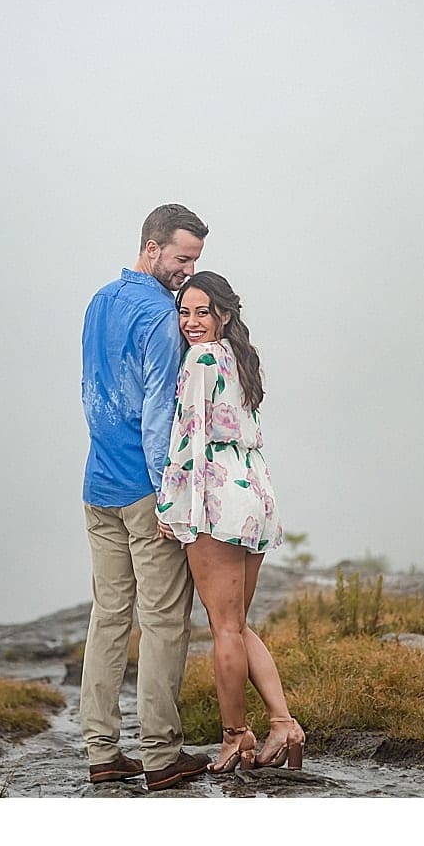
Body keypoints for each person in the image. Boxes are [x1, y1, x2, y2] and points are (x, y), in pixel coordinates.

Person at [77, 203, 213, 791]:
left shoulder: (100, 301)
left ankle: (101, 750)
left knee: (108, 616)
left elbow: (90, 390)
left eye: (195, 262)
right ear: (152, 246)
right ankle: (161, 755)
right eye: (182, 258)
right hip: (143, 489)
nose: (187, 271)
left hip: (97, 484)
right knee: (163, 621)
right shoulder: (161, 316)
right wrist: (167, 497)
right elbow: (161, 410)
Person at [157, 272, 306, 772]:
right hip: (253, 493)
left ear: (223, 313)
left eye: (202, 312)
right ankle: (283, 722)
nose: (192, 323)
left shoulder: (200, 359)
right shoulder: (240, 356)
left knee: (222, 628)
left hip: (217, 497)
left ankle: (235, 736)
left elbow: (189, 439)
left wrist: (169, 506)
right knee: (237, 624)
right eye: (185, 312)